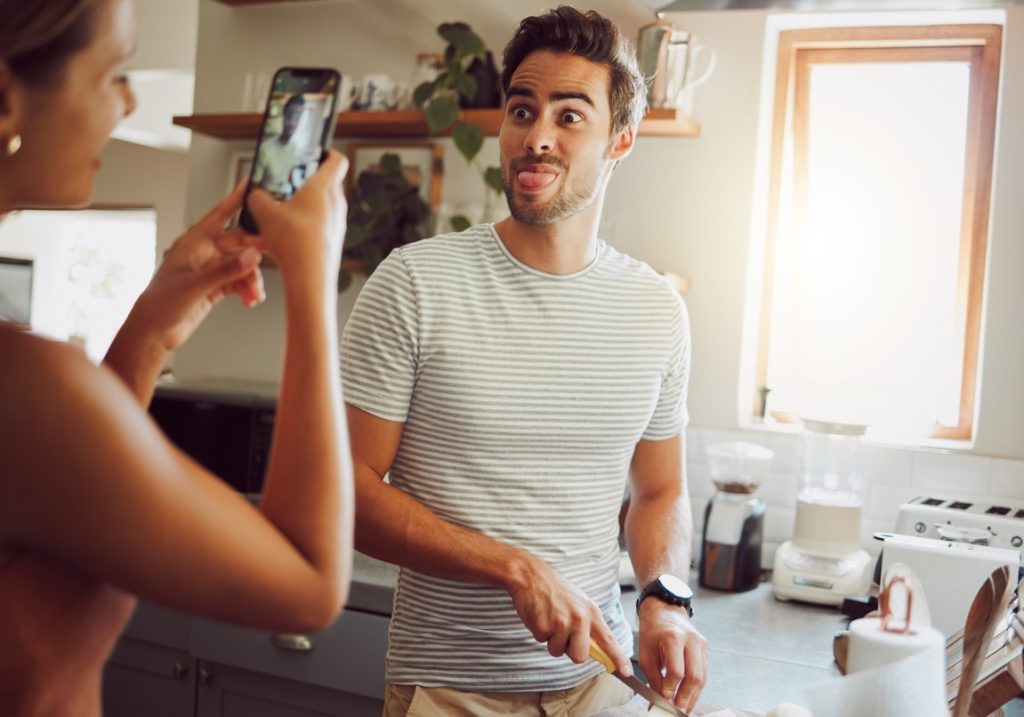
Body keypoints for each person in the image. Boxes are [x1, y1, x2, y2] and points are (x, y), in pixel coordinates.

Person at [342, 6, 707, 716]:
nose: (536, 138)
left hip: (602, 682)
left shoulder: (656, 309)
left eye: (571, 116)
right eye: (522, 110)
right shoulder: (416, 284)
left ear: (621, 140)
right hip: (449, 691)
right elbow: (347, 492)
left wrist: (665, 597)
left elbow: (660, 490)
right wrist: (512, 566)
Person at [0, 0, 353, 714]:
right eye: (115, 73)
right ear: (7, 100)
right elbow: (310, 582)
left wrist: (149, 332)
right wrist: (311, 276)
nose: (128, 103)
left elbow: (63, 480)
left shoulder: (35, 399)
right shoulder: (25, 383)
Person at [254, 93, 306, 198]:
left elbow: (289, 175)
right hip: (266, 200)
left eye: (297, 117)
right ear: (284, 116)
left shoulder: (294, 148)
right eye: (290, 115)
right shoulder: (265, 149)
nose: (292, 122)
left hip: (285, 199)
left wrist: (299, 193)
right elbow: (255, 185)